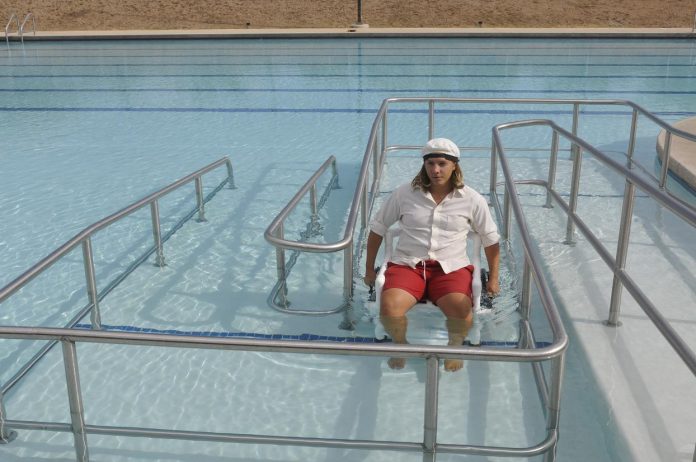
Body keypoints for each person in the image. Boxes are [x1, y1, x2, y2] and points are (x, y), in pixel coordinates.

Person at [363, 138, 500, 372]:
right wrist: (368, 269)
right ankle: (401, 345)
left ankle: (454, 347)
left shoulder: (472, 199)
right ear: (424, 165)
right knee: (389, 308)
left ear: (455, 165)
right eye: (430, 164)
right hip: (408, 265)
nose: (435, 170)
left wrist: (494, 278)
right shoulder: (403, 194)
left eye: (442, 164)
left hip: (451, 267)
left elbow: (491, 239)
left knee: (461, 310)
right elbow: (377, 229)